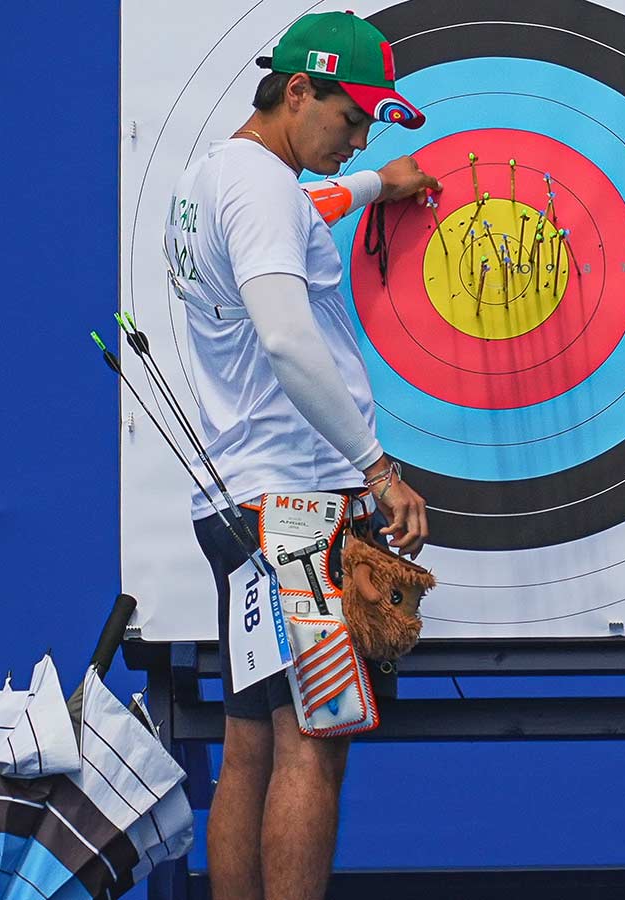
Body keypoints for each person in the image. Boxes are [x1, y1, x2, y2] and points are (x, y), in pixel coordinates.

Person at [163, 12, 439, 900]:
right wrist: (378, 467)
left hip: (241, 510)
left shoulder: (220, 173)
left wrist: (369, 183)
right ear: (296, 91)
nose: (357, 136)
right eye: (350, 118)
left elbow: (301, 210)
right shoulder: (263, 191)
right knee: (313, 750)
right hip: (300, 515)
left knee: (251, 744)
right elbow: (286, 337)